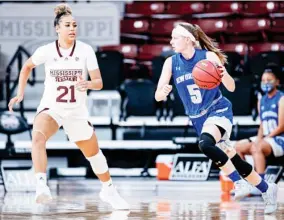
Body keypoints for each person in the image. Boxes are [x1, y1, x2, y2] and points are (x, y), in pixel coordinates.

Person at [8, 4, 129, 210]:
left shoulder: (85, 50)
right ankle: (41, 184)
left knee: (94, 154)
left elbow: (99, 82)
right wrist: (20, 93)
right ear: (57, 28)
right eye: (67, 25)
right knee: (37, 137)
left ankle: (108, 189)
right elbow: (26, 66)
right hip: (51, 108)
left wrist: (88, 84)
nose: (72, 28)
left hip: (76, 111)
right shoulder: (46, 50)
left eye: (74, 25)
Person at [155, 22, 277, 214]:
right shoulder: (170, 62)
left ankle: (238, 182)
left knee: (205, 144)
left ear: (188, 39)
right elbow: (157, 96)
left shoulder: (208, 57)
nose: (171, 41)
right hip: (198, 119)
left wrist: (222, 75)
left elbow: (231, 87)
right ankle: (267, 188)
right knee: (232, 157)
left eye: (174, 37)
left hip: (218, 110)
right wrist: (163, 91)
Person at [235, 68, 284, 180]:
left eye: (269, 80)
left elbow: (282, 126)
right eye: (263, 80)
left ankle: (261, 185)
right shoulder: (261, 100)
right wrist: (259, 138)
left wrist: (265, 139)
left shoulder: (281, 99)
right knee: (237, 147)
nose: (266, 82)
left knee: (257, 147)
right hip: (266, 138)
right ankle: (248, 180)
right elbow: (262, 125)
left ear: (277, 82)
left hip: (279, 139)